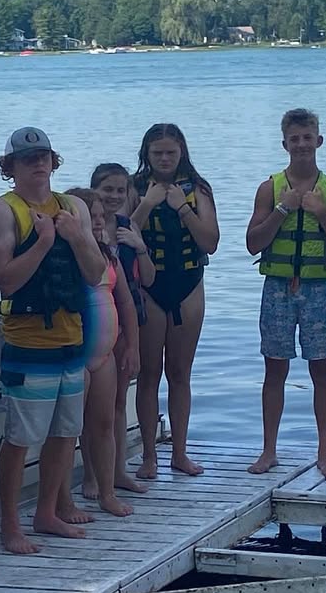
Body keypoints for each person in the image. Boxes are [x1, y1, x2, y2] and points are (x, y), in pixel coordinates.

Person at [0, 127, 106, 553]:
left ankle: (47, 512)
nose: (38, 163)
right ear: (10, 167)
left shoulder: (73, 208)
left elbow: (95, 272)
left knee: (65, 433)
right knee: (20, 439)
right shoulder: (3, 212)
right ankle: (10, 525)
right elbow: (6, 281)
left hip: (70, 339)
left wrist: (76, 236)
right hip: (28, 343)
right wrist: (44, 243)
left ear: (54, 161)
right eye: (27, 158)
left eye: (44, 156)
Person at [245, 109, 326, 477]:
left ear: (318, 141)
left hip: (319, 289)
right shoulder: (270, 188)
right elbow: (253, 242)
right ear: (285, 144)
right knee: (274, 369)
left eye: (308, 137)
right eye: (295, 139)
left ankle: (325, 452)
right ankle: (269, 451)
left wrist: (322, 213)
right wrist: (283, 208)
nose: (302, 144)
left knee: (322, 370)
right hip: (277, 289)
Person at [130, 124, 220, 478]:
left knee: (180, 373)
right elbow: (121, 232)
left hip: (188, 284)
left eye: (170, 152)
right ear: (147, 154)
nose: (165, 159)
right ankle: (149, 456)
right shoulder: (135, 188)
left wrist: (183, 209)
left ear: (181, 151)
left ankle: (180, 453)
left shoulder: (198, 189)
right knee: (149, 373)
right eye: (158, 153)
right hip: (149, 287)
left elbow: (210, 242)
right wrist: (147, 204)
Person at [65, 187, 141, 516]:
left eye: (100, 216)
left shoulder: (108, 255)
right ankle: (71, 492)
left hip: (106, 355)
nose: (98, 222)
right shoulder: (67, 254)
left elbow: (126, 301)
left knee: (105, 422)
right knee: (71, 428)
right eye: (91, 217)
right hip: (77, 354)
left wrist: (133, 345)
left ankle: (108, 492)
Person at [90, 163, 154, 495]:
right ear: (94, 190)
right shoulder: (86, 224)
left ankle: (117, 471)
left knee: (117, 402)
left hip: (126, 321)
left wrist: (139, 246)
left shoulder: (128, 226)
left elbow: (149, 278)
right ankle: (90, 475)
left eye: (120, 190)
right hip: (95, 321)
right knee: (91, 407)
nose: (114, 196)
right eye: (107, 189)